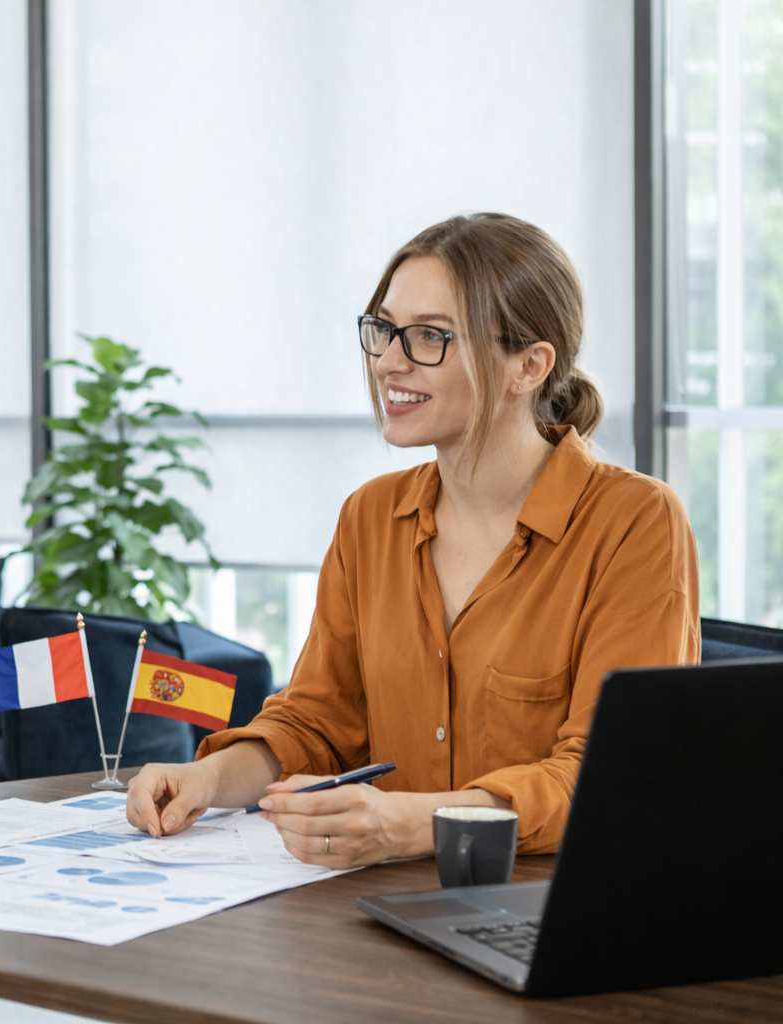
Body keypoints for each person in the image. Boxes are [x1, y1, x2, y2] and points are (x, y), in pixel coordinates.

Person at [126, 213, 700, 865]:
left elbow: (610, 776)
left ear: (529, 366)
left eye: (431, 336)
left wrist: (414, 823)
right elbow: (317, 721)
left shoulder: (635, 522)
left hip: (554, 901)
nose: (388, 362)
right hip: (384, 895)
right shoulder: (370, 518)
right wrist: (207, 779)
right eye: (384, 330)